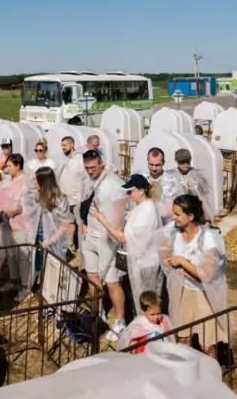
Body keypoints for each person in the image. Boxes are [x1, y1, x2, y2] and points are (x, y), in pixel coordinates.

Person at [92, 173, 163, 342]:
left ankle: (150, 337)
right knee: (142, 299)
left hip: (147, 264)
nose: (128, 195)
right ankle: (144, 335)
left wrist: (103, 221)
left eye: (130, 191)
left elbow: (124, 238)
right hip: (140, 261)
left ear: (141, 191)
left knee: (148, 302)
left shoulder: (147, 211)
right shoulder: (141, 206)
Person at [159, 194, 228, 359]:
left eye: (177, 214)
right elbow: (164, 256)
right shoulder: (173, 233)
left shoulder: (208, 239)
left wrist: (183, 262)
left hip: (204, 294)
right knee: (183, 338)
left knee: (207, 343)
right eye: (173, 214)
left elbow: (208, 276)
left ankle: (210, 377)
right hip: (183, 291)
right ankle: (185, 375)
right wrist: (173, 263)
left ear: (190, 216)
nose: (173, 218)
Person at [79, 149, 128, 337]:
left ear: (102, 164)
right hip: (90, 234)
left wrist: (111, 237)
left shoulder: (114, 184)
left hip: (107, 238)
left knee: (112, 282)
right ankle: (98, 310)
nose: (90, 171)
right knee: (92, 276)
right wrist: (84, 225)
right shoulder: (88, 180)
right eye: (87, 168)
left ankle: (120, 320)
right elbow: (85, 204)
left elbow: (119, 214)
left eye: (93, 167)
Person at [0, 154, 37, 300]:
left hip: (21, 225)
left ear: (18, 165)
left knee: (23, 257)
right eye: (6, 166)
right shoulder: (7, 181)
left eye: (9, 166)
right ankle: (13, 281)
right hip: (6, 224)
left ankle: (26, 288)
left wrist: (13, 211)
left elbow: (28, 205)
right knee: (11, 254)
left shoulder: (26, 183)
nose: (7, 169)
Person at [55, 135, 84, 254]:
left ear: (72, 144)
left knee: (80, 223)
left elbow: (84, 178)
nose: (63, 148)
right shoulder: (65, 159)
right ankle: (70, 244)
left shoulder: (79, 159)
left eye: (65, 145)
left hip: (77, 198)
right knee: (68, 221)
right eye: (62, 146)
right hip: (65, 197)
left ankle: (82, 248)